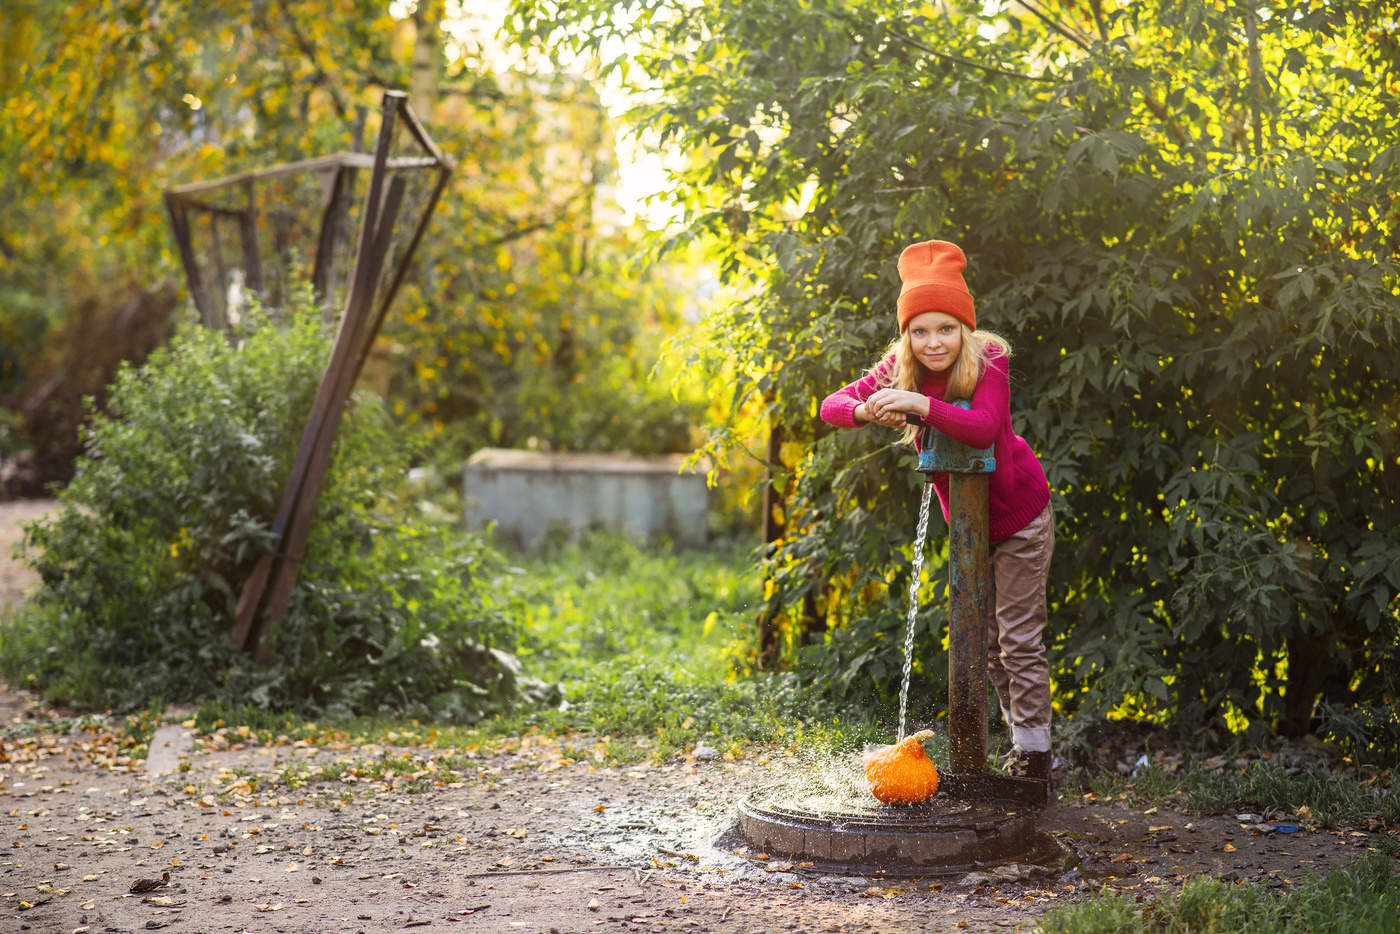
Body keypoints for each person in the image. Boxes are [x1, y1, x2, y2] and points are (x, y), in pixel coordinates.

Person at [819, 239, 1055, 786]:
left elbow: (983, 428)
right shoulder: (899, 367)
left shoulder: (989, 359)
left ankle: (1036, 759)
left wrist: (919, 404)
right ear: (906, 334)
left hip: (1020, 517)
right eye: (919, 330)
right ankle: (1010, 746)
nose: (933, 343)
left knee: (1017, 637)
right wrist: (867, 408)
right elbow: (831, 405)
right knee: (985, 644)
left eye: (945, 328)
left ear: (965, 329)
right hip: (969, 528)